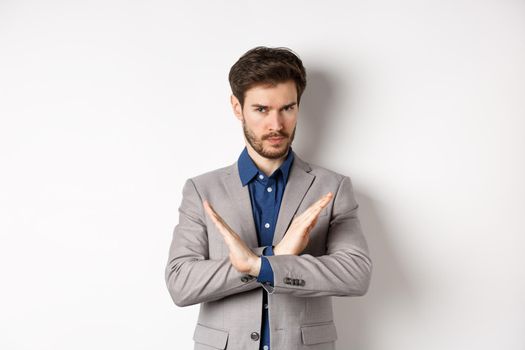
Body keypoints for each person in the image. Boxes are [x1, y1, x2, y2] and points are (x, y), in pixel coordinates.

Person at [165, 46, 372, 350]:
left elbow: (355, 275)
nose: (276, 125)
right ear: (238, 108)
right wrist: (273, 255)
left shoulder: (333, 187)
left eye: (287, 108)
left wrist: (260, 264)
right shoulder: (201, 190)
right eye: (262, 109)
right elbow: (180, 283)